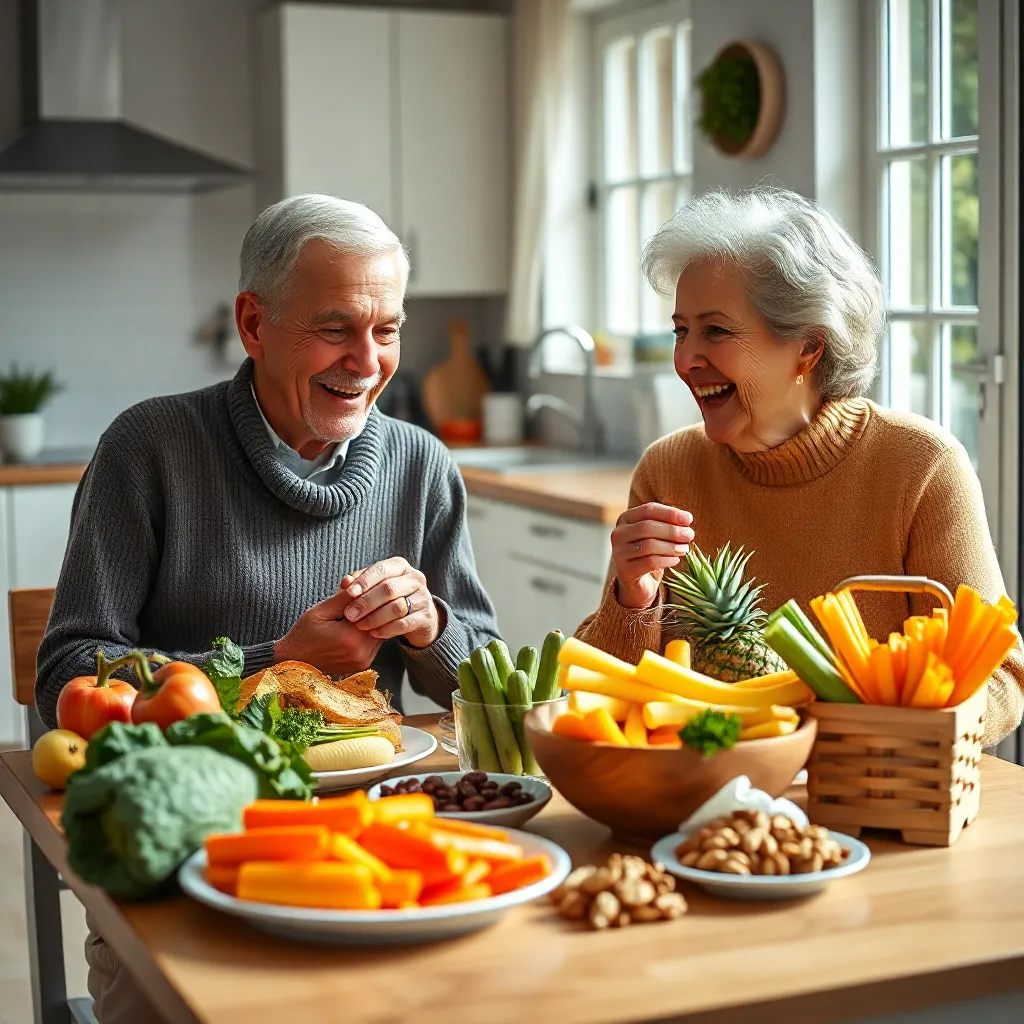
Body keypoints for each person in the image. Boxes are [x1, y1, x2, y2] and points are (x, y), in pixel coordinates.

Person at [36, 193, 499, 1022]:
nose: (366, 361)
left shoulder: (422, 465)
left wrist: (430, 627)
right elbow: (68, 674)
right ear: (254, 324)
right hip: (190, 854)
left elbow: (489, 680)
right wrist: (279, 661)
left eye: (387, 329)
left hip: (369, 853)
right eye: (335, 327)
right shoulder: (149, 450)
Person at [576, 187, 1024, 746]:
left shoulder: (921, 466)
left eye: (716, 330)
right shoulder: (669, 470)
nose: (685, 358)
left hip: (878, 792)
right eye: (681, 329)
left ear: (809, 348)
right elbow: (605, 694)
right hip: (706, 796)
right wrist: (632, 598)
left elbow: (1002, 679)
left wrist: (881, 734)